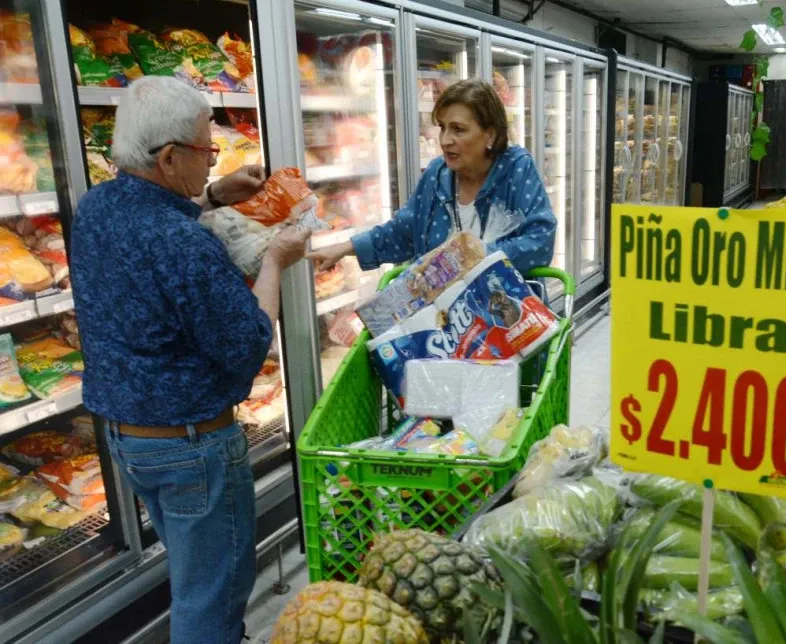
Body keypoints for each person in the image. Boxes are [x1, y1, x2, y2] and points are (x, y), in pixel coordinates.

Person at [70, 76, 309, 644]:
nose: (212, 160)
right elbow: (248, 345)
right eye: (207, 150)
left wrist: (213, 195)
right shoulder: (184, 244)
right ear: (170, 156)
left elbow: (156, 226)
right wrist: (275, 260)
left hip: (130, 440)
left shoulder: (98, 207)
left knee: (192, 578)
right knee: (213, 598)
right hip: (192, 447)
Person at [311, 78, 556, 276]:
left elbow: (539, 242)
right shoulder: (437, 175)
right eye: (442, 127)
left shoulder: (516, 169)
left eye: (458, 129)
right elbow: (403, 232)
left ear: (489, 135)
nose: (445, 139)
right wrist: (345, 248)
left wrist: (470, 258)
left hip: (503, 314)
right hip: (441, 318)